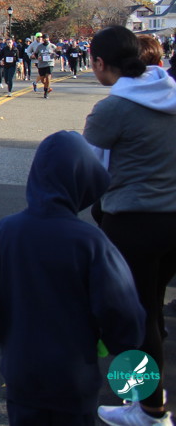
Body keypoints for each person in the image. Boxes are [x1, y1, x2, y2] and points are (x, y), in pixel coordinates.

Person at [0, 131, 145, 426]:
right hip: (73, 377)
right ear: (84, 179)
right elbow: (121, 312)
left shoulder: (3, 233)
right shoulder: (91, 242)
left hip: (21, 373)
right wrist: (119, 342)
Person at [83, 26, 176, 426]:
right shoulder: (170, 91)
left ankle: (148, 409)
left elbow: (89, 165)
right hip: (173, 219)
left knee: (133, 318)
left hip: (133, 222)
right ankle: (149, 399)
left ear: (101, 63)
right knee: (152, 311)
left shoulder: (113, 108)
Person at [30, 34, 57, 99]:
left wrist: (54, 56)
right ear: (43, 39)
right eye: (44, 39)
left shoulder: (52, 46)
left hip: (49, 63)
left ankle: (46, 92)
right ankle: (48, 87)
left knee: (48, 77)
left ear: (48, 39)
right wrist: (37, 57)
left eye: (47, 38)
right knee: (42, 79)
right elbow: (35, 54)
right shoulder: (39, 46)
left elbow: (58, 53)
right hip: (41, 64)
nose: (46, 40)